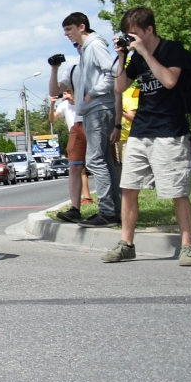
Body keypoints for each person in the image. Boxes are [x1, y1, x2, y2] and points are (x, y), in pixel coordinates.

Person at [101, 7, 191, 266]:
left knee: (178, 190)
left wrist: (143, 52)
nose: (130, 39)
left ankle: (187, 246)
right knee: (129, 187)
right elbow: (120, 87)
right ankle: (126, 244)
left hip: (170, 131)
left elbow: (168, 81)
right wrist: (122, 57)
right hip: (141, 131)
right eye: (127, 35)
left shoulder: (171, 49)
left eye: (133, 34)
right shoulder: (135, 57)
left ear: (149, 30)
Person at [62, 12, 121, 228]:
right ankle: (114, 211)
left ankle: (107, 212)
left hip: (98, 109)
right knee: (105, 161)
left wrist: (92, 93)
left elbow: (113, 71)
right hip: (94, 110)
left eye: (69, 29)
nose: (67, 34)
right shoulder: (86, 49)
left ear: (82, 27)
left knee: (96, 161)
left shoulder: (95, 45)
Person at [50, 83, 88, 223]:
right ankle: (75, 210)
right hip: (75, 131)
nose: (65, 95)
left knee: (101, 165)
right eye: (64, 93)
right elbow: (52, 119)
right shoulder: (64, 105)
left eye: (68, 92)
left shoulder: (84, 97)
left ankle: (110, 207)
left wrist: (75, 98)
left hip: (90, 126)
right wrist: (52, 105)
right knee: (75, 167)